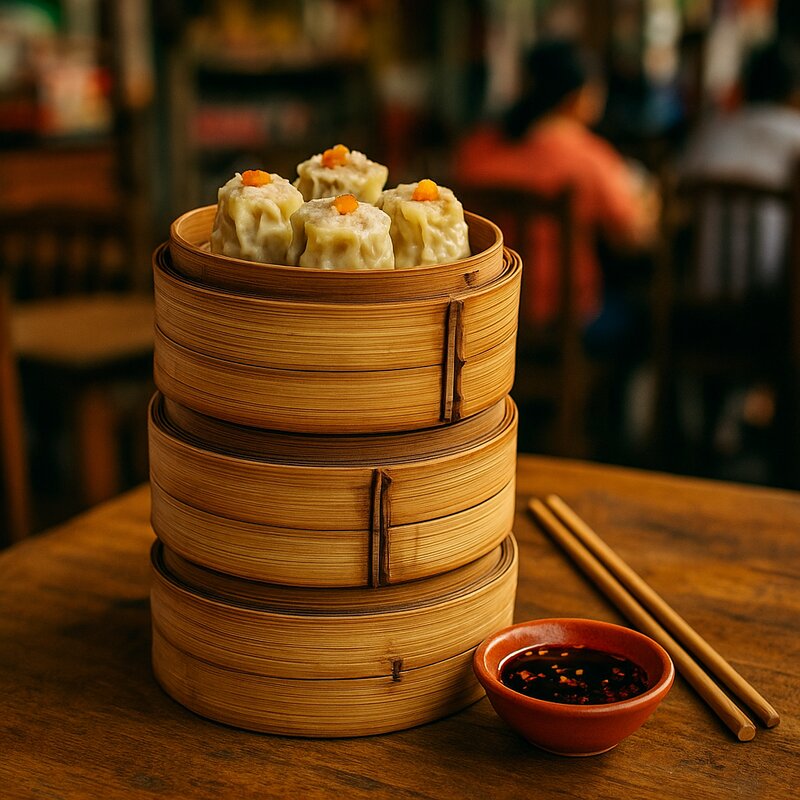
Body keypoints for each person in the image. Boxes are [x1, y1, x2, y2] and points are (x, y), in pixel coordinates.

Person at [453, 38, 658, 352]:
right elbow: (633, 237)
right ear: (580, 96)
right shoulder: (587, 156)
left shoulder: (476, 148)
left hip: (488, 315)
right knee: (642, 319)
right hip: (566, 318)